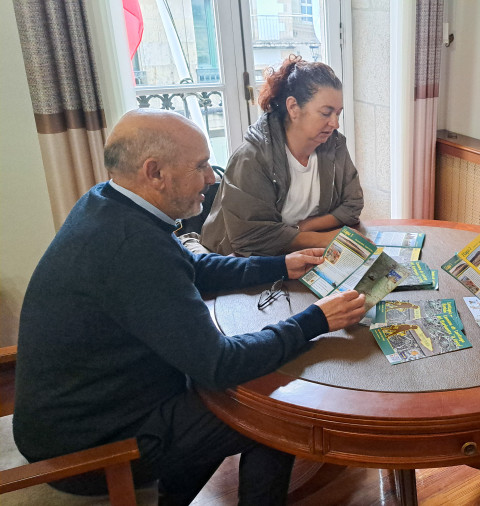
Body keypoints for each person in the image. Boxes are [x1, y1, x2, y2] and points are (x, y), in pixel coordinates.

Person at [13, 109, 367, 506]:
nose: (212, 178)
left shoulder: (108, 203)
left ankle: (176, 496)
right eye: (200, 167)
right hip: (91, 447)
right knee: (279, 417)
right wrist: (316, 319)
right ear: (155, 172)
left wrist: (279, 265)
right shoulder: (132, 249)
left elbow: (192, 267)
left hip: (82, 411)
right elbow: (219, 365)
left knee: (254, 399)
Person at [201, 55, 363, 256]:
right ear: (293, 107)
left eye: (338, 113)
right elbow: (250, 238)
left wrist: (305, 227)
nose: (335, 123)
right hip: (238, 261)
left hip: (298, 253)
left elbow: (353, 204)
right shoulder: (252, 157)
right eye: (326, 113)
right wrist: (325, 239)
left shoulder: (335, 144)